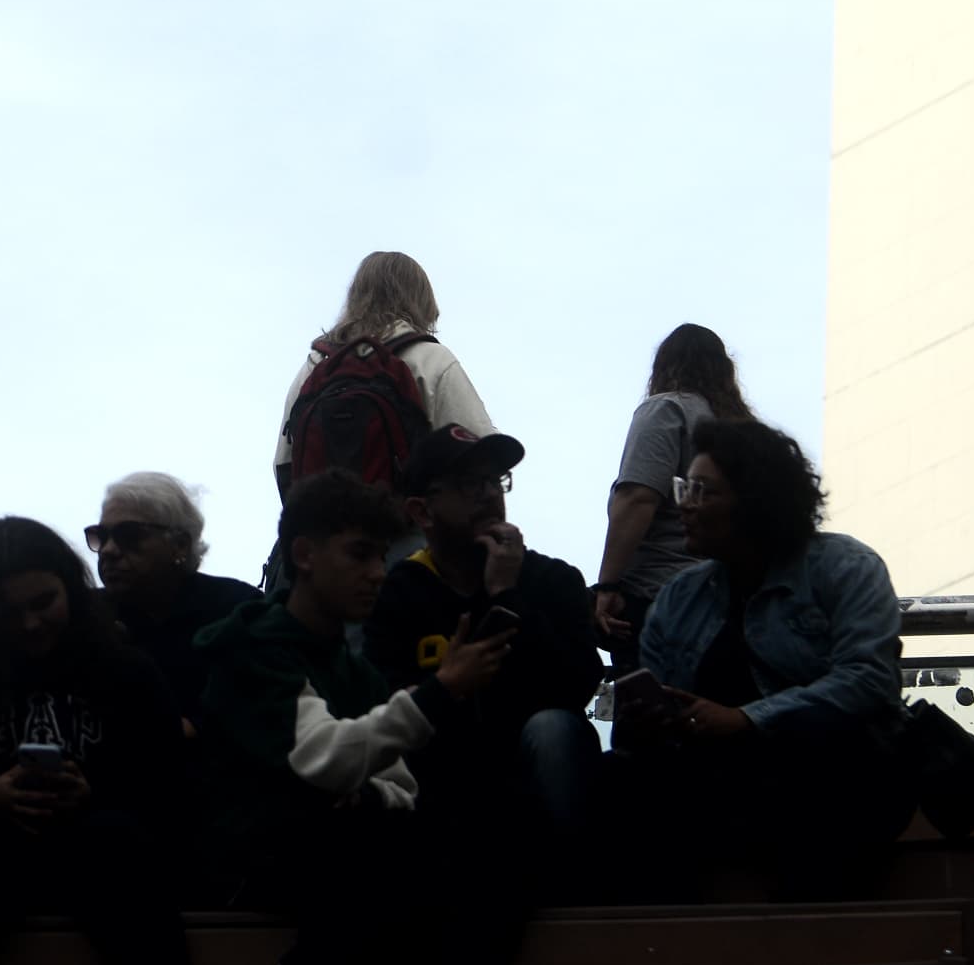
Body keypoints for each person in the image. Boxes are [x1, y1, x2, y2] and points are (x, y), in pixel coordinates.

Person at [195, 468, 520, 965]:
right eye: (359, 554)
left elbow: (399, 787)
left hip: (338, 852)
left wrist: (367, 794)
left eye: (381, 556)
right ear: (304, 556)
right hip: (251, 859)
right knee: (380, 846)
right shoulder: (256, 649)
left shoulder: (357, 671)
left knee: (478, 838)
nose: (377, 572)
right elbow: (323, 759)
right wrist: (441, 692)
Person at [614, 418, 908, 901]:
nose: (684, 505)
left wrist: (746, 720)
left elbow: (870, 680)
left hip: (832, 775)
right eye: (684, 488)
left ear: (754, 503)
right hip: (715, 781)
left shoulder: (846, 568)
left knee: (825, 752)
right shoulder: (678, 598)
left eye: (702, 491)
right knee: (617, 778)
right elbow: (657, 706)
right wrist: (651, 719)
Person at [0, 517, 188, 965]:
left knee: (119, 840)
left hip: (98, 854)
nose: (29, 623)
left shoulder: (126, 670)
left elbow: (170, 780)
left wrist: (92, 794)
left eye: (43, 602)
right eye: (8, 612)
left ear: (70, 588)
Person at [366, 427, 603, 831]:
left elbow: (579, 685)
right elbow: (380, 701)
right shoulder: (398, 592)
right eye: (469, 483)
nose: (491, 494)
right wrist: (446, 686)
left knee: (555, 729)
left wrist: (505, 595)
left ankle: (572, 888)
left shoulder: (552, 578)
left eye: (496, 481)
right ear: (422, 512)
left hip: (529, 766)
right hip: (440, 780)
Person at [266, 254, 495, 581]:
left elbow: (284, 466)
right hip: (404, 552)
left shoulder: (314, 366)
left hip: (317, 561)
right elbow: (478, 452)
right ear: (422, 301)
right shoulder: (429, 358)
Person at [593, 324, 753, 661]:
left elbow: (638, 498)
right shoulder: (744, 432)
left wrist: (607, 585)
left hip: (658, 597)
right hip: (730, 605)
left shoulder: (666, 410)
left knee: (649, 707)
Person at [87, 472, 258, 733]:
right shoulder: (85, 617)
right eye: (101, 536)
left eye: (129, 535)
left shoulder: (238, 610)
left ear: (179, 545)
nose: (109, 550)